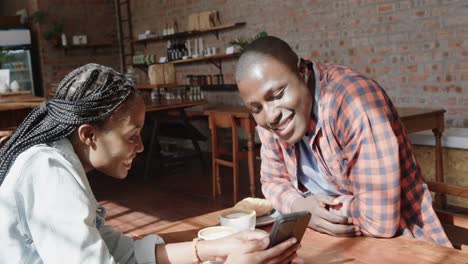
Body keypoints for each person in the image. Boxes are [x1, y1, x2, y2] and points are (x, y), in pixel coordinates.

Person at [0, 63, 299, 263]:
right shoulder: (49, 173)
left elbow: (122, 252)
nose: (142, 147)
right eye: (132, 136)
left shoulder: (58, 161)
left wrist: (214, 248)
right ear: (89, 134)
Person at [235, 36, 452, 247]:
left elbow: (379, 221)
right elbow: (271, 182)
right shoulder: (274, 121)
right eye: (256, 108)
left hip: (404, 245)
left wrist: (313, 210)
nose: (270, 115)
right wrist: (298, 204)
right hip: (331, 243)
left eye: (277, 94)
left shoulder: (354, 102)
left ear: (303, 72)